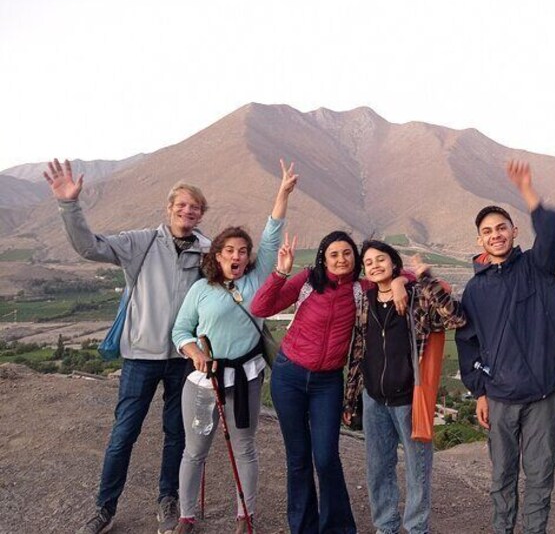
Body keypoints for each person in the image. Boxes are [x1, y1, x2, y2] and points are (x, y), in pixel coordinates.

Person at [42, 159, 210, 534]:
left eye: (194, 207)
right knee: (123, 435)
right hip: (140, 357)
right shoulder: (141, 242)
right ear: (169, 209)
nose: (187, 211)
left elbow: (232, 282)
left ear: (201, 215)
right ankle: (105, 507)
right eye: (181, 205)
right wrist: (69, 205)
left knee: (177, 435)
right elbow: (89, 247)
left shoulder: (207, 251)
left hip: (185, 359)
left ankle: (169, 500)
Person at [250, 231, 409, 534]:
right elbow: (261, 307)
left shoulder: (361, 289)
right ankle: (303, 527)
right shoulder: (308, 281)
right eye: (334, 254)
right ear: (323, 257)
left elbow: (405, 274)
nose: (341, 259)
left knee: (325, 457)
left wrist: (400, 281)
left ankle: (336, 528)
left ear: (355, 258)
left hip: (327, 383)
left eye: (347, 253)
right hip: (289, 376)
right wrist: (281, 272)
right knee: (298, 458)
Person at [169, 160, 296, 533]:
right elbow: (181, 331)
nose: (236, 256)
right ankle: (187, 515)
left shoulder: (257, 279)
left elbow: (272, 235)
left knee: (245, 447)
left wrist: (282, 193)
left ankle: (246, 515)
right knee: (196, 450)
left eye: (242, 251)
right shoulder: (200, 290)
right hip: (204, 380)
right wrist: (196, 354)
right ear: (217, 255)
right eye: (228, 251)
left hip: (246, 376)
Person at [456, 160, 555, 534]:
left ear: (514, 231)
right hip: (500, 399)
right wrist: (479, 392)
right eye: (487, 231)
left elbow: (550, 235)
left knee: (540, 477)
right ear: (479, 240)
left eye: (501, 228)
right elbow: (468, 343)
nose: (495, 235)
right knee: (501, 478)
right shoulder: (475, 290)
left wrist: (526, 188)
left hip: (543, 394)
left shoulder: (537, 267)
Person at [342, 241, 466, 534]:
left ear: (394, 262)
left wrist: (424, 278)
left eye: (380, 259)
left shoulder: (416, 297)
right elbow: (358, 353)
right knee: (378, 469)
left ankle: (416, 528)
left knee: (417, 470)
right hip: (374, 399)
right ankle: (386, 526)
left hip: (410, 398)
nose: (374, 265)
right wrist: (350, 399)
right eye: (368, 262)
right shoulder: (365, 302)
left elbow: (456, 318)